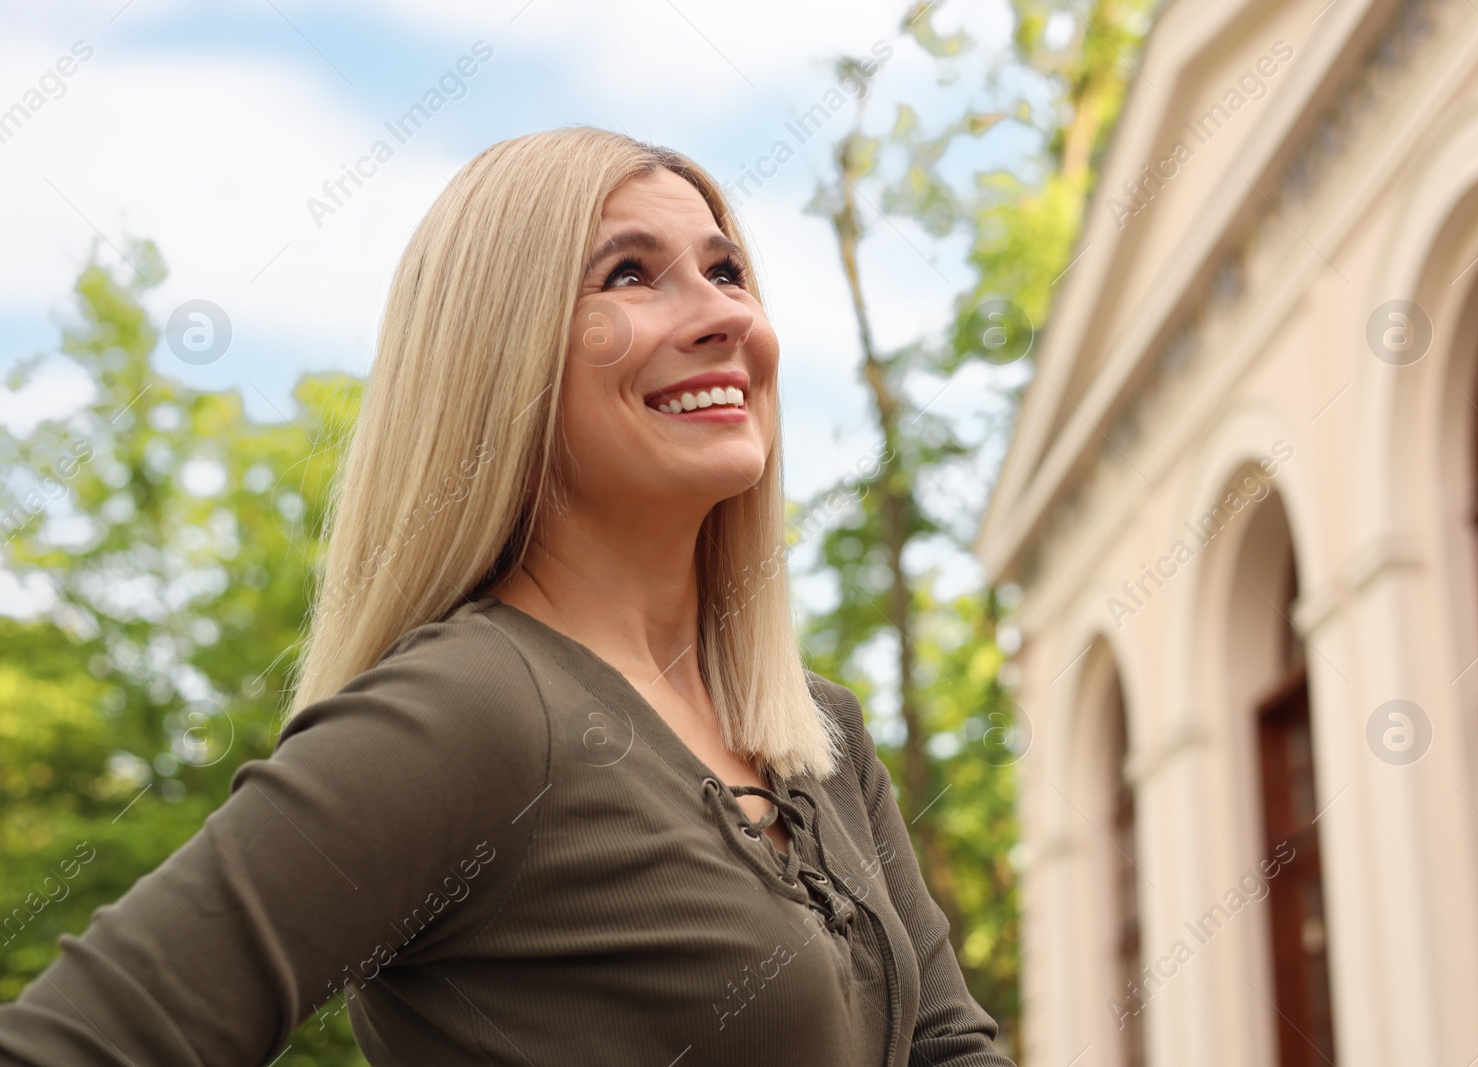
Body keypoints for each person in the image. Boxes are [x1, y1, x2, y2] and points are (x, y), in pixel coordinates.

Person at [0, 126, 1015, 1067]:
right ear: (501, 354)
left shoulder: (816, 730)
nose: (723, 315)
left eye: (725, 270)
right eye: (629, 274)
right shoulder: (466, 711)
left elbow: (947, 1049)